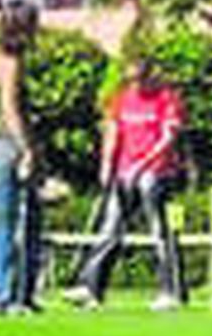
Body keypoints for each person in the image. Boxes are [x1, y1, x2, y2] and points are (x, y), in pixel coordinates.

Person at [64, 56, 187, 312]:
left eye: (140, 79)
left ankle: (171, 291)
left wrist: (143, 165)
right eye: (131, 80)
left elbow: (167, 139)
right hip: (123, 172)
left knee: (158, 231)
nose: (135, 85)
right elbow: (113, 131)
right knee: (111, 228)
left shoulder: (166, 99)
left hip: (156, 171)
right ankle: (91, 288)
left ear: (150, 76)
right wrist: (106, 164)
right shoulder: (121, 98)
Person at [0, 1, 42, 314]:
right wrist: (27, 148)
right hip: (6, 146)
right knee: (12, 221)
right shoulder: (12, 62)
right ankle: (6, 297)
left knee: (4, 221)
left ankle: (9, 294)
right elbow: (10, 108)